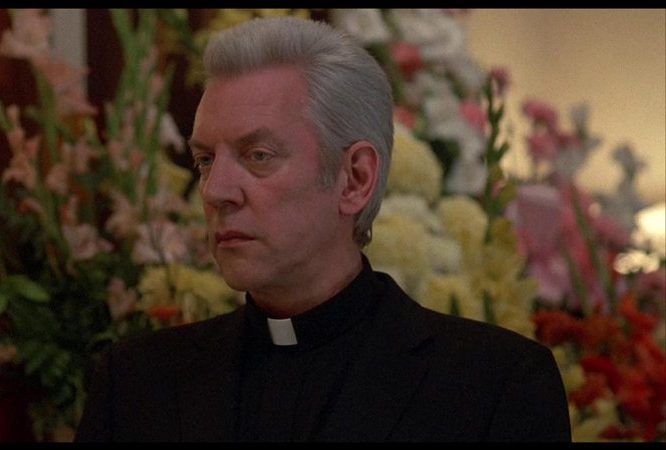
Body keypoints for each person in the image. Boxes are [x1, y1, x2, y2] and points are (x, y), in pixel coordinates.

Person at [74, 16, 571, 442]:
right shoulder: (137, 383)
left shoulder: (492, 386)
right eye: (205, 159)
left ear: (355, 179)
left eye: (258, 156)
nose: (215, 190)